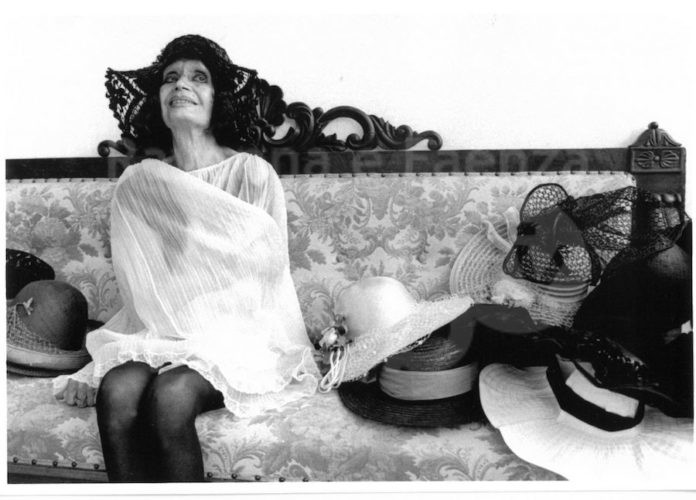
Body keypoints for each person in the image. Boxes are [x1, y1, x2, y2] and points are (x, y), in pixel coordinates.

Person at [52, 34, 320, 482]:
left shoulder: (252, 174)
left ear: (218, 99)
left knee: (171, 397)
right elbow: (142, 292)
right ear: (157, 100)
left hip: (239, 335)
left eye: (199, 77)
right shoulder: (140, 185)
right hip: (162, 330)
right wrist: (99, 365)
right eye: (171, 78)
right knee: (116, 393)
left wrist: (201, 338)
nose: (181, 84)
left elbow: (268, 284)